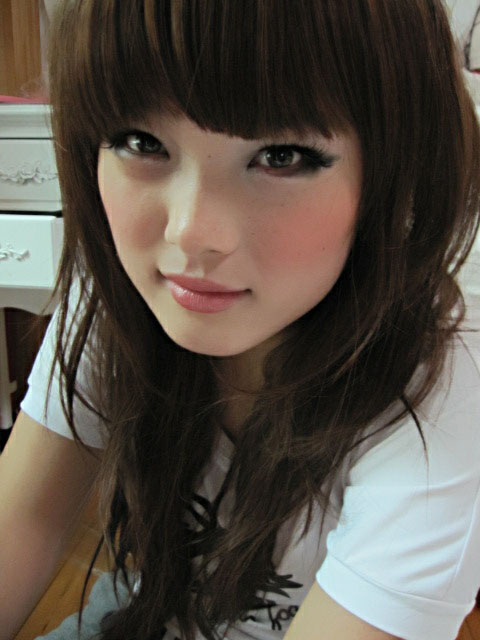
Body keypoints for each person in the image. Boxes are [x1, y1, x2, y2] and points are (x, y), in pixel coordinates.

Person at [1, 1, 480, 639]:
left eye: (282, 156)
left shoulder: (439, 393)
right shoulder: (118, 297)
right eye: (142, 142)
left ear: (392, 170)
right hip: (146, 608)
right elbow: (25, 519)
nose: (190, 234)